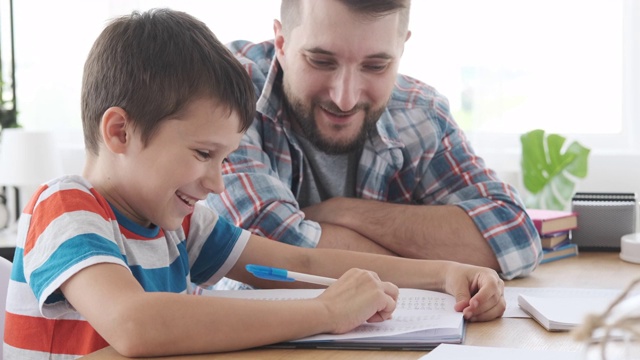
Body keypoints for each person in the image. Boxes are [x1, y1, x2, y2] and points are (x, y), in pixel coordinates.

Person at [3, 8, 506, 359]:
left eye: (223, 158)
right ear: (120, 132)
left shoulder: (177, 224)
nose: (217, 182)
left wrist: (443, 273)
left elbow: (301, 262)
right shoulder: (67, 209)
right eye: (203, 154)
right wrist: (326, 311)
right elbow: (136, 325)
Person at [205, 0, 542, 282]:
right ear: (281, 43)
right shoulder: (226, 89)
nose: (346, 99)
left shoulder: (421, 112)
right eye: (321, 61)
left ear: (401, 48)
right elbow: (265, 252)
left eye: (376, 65)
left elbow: (514, 237)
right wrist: (441, 270)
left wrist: (340, 212)